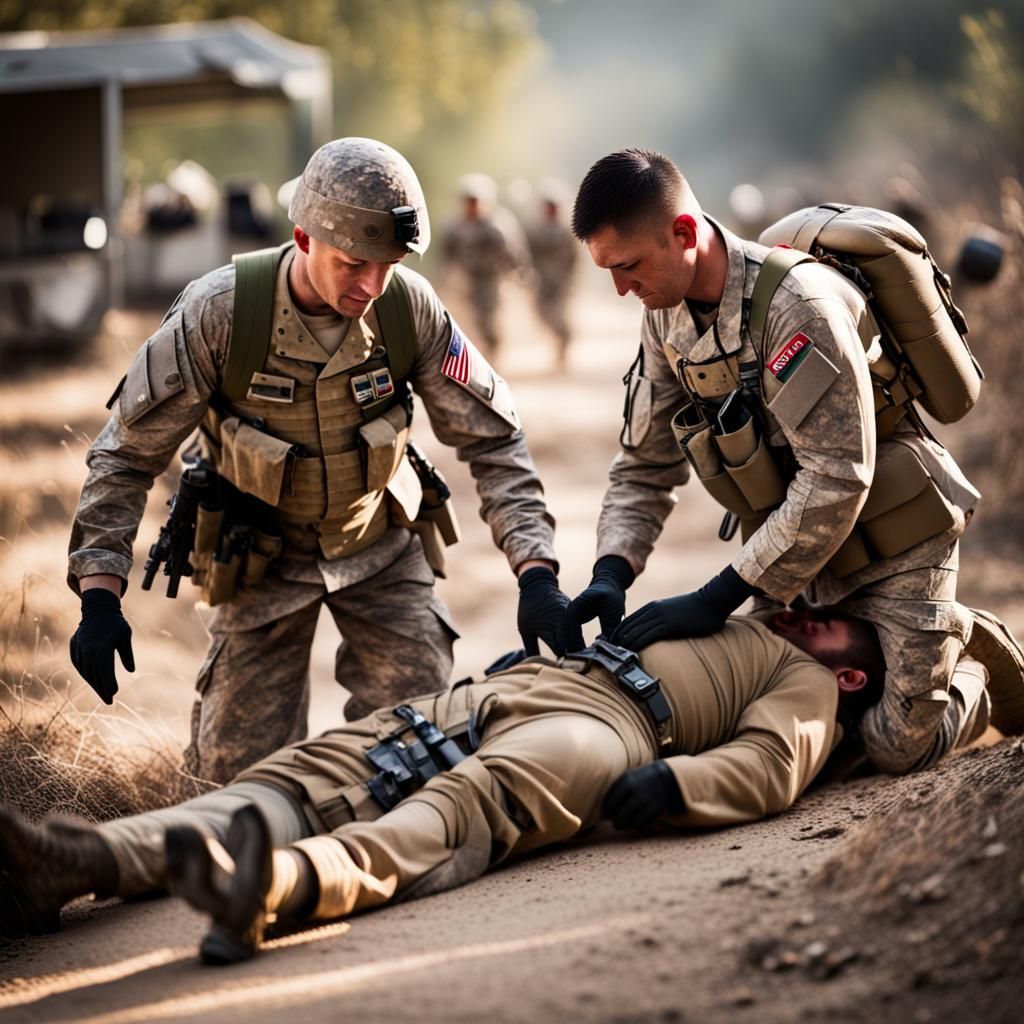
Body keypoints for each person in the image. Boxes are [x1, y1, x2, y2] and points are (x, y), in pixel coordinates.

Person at [66, 138, 568, 784]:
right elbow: (126, 457)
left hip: (380, 549)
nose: (372, 284)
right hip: (259, 563)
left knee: (424, 761)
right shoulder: (220, 315)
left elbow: (493, 440)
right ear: (303, 239)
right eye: (354, 263)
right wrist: (99, 598)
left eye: (389, 263)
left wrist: (536, 571)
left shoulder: (407, 308)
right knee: (235, 786)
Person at [0, 607, 887, 962]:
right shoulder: (741, 612)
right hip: (521, 687)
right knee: (314, 770)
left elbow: (776, 764)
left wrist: (677, 782)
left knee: (457, 805)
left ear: (851, 676)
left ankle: (273, 889)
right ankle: (81, 860)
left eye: (840, 625)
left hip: (610, 730)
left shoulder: (806, 679)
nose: (818, 610)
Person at [561, 147, 985, 776]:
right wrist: (611, 569)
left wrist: (716, 596)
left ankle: (969, 657)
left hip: (899, 543)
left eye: (628, 267)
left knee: (897, 746)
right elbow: (644, 464)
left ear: (684, 233)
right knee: (749, 712)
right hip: (798, 564)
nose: (622, 289)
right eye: (608, 274)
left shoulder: (796, 309)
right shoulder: (663, 316)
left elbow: (838, 475)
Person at [438, 173, 529, 359]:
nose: (472, 206)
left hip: (492, 279)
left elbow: (513, 252)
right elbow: (447, 253)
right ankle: (476, 354)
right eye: (468, 201)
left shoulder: (497, 225)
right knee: (468, 319)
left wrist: (520, 273)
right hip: (468, 277)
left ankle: (493, 348)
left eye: (475, 201)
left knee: (488, 317)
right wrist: (443, 278)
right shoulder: (455, 226)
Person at [526, 180, 579, 368]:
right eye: (548, 205)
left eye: (554, 205)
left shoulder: (568, 231)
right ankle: (561, 337)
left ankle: (564, 341)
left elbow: (575, 258)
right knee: (541, 312)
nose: (551, 209)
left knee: (559, 315)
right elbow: (527, 253)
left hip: (561, 281)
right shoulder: (534, 230)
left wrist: (571, 279)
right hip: (541, 281)